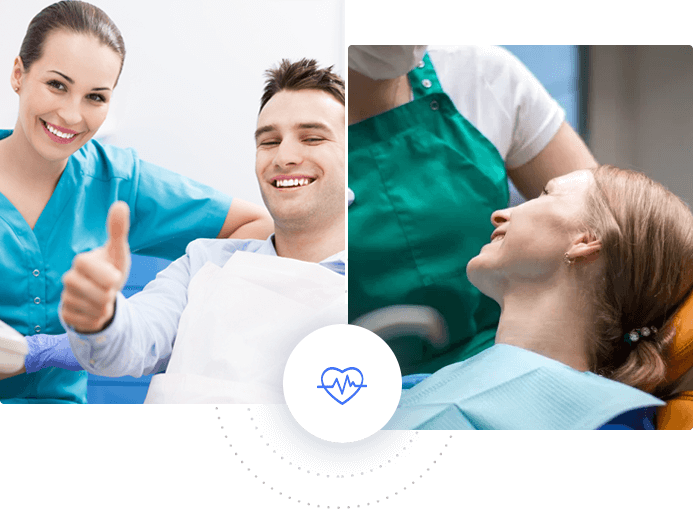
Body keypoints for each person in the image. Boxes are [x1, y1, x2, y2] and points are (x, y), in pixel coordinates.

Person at [0, 0, 274, 403]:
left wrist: (136, 319)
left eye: (95, 97)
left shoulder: (119, 182)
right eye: (57, 85)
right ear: (20, 73)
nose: (72, 115)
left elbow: (257, 228)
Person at [58, 58, 345, 403]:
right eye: (268, 142)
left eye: (312, 138)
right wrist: (101, 317)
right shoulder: (204, 263)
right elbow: (131, 343)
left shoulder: (378, 289)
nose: (284, 156)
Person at [347, 45, 600, 376]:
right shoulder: (280, 123)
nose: (500, 215)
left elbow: (609, 220)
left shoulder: (484, 74)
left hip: (500, 361)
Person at [383, 165, 693, 429]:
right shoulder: (412, 388)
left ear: (586, 240)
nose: (499, 215)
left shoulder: (602, 418)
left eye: (546, 194)